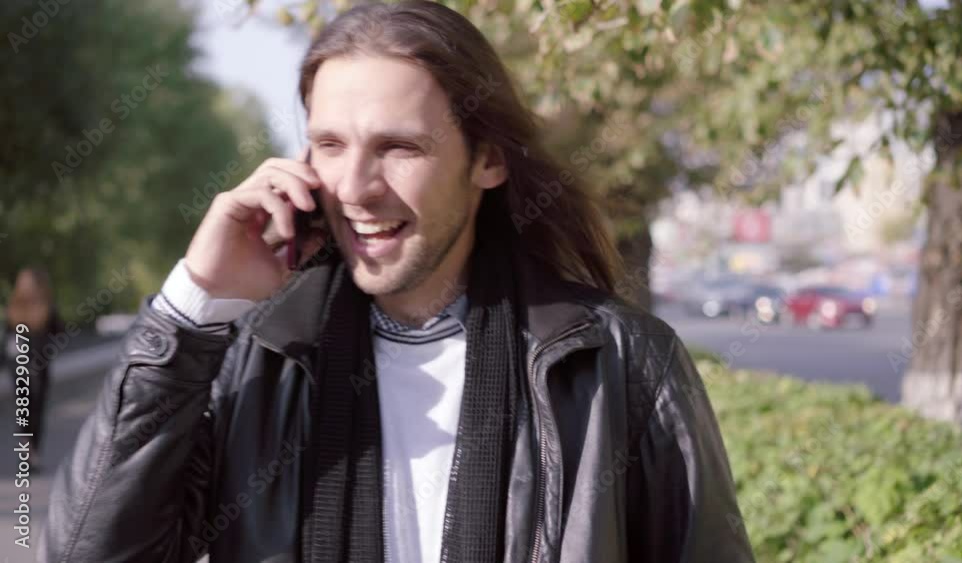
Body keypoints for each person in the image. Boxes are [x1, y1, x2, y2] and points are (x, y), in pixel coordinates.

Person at [42, 2, 754, 561]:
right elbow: (87, 551)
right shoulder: (257, 362)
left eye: (398, 147)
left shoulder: (619, 364)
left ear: (488, 161)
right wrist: (192, 307)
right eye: (329, 144)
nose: (354, 187)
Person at [1, 267, 64, 471]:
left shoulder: (18, 308)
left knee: (26, 407)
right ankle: (31, 452)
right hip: (33, 364)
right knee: (34, 408)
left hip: (21, 364)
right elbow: (60, 332)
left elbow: (7, 339)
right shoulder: (40, 308)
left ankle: (28, 451)